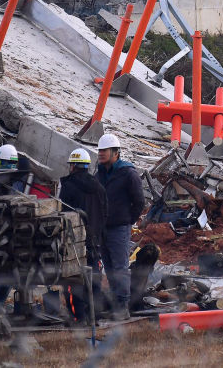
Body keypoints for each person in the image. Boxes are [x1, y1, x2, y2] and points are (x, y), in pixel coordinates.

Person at [94, 133, 145, 316]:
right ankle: (115, 304)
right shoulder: (99, 173)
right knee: (109, 266)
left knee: (120, 267)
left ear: (115, 153)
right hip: (103, 228)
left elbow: (139, 201)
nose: (100, 154)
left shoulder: (128, 173)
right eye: (99, 150)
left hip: (119, 228)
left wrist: (127, 220)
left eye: (104, 150)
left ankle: (122, 306)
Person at [59, 148, 108, 323]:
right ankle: (93, 317)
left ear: (73, 166)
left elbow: (62, 215)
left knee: (73, 280)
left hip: (74, 243)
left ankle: (78, 318)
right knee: (94, 282)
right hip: (95, 243)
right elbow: (104, 215)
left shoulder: (68, 187)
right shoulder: (100, 188)